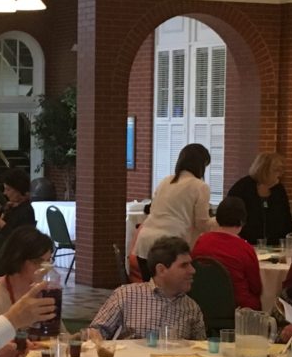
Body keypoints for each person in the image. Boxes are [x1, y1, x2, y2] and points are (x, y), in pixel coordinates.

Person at [91, 236, 206, 341]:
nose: (192, 270)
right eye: (184, 265)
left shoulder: (191, 307)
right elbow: (97, 331)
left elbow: (200, 350)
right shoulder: (127, 294)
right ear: (161, 270)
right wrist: (94, 335)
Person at [134, 143, 212, 281]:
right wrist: (220, 222)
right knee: (172, 296)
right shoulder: (200, 186)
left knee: (150, 294)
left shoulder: (166, 181)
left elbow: (152, 209)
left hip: (145, 244)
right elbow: (202, 223)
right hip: (171, 248)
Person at [0, 225, 53, 329]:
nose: (45, 269)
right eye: (38, 262)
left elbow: (58, 337)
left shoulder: (44, 293)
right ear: (18, 259)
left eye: (48, 261)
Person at [191, 196, 262, 310]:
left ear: (217, 219)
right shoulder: (245, 248)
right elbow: (256, 287)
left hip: (203, 302)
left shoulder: (201, 241)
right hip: (238, 307)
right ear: (242, 221)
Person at [227, 152, 292, 245]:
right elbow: (231, 219)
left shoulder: (278, 189)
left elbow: (286, 218)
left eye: (282, 170)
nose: (280, 174)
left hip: (275, 244)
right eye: (276, 170)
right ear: (264, 170)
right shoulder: (242, 188)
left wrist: (288, 241)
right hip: (245, 242)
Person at [0, 167, 35, 233]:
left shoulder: (26, 211)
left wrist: (1, 223)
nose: (4, 193)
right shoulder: (13, 207)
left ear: (19, 189)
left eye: (8, 189)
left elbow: (20, 238)